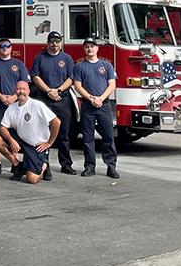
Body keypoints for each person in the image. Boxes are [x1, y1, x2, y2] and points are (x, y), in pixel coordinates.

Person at [0, 80, 60, 183]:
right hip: (22, 141)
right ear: (15, 91)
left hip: (37, 146)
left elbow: (56, 122)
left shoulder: (37, 105)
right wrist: (11, 140)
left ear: (28, 91)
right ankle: (17, 165)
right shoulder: (12, 108)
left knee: (31, 179)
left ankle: (44, 165)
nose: (21, 91)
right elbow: (2, 127)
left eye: (24, 89)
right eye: (18, 89)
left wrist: (49, 143)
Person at [30, 30, 77, 178]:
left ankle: (66, 164)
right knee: (43, 134)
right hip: (44, 99)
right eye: (51, 41)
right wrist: (49, 91)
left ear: (61, 44)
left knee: (64, 133)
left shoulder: (67, 58)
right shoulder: (40, 58)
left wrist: (58, 90)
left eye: (57, 41)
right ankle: (45, 166)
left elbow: (71, 78)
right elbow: (35, 77)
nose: (54, 44)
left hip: (62, 99)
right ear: (47, 43)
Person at [72, 36, 119, 178]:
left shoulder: (107, 65)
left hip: (104, 105)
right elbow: (78, 86)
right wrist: (91, 98)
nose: (89, 49)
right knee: (88, 138)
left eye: (92, 46)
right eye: (87, 47)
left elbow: (112, 85)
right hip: (88, 106)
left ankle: (111, 167)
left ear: (97, 48)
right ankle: (89, 167)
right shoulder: (79, 66)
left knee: (108, 137)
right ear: (84, 49)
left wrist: (101, 99)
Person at [0, 38, 30, 174]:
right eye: (1, 46)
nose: (4, 48)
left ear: (11, 47)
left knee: (15, 133)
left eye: (7, 45)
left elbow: (24, 84)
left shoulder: (19, 64)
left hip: (17, 104)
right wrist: (1, 97)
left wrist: (14, 97)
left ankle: (15, 162)